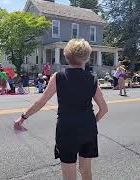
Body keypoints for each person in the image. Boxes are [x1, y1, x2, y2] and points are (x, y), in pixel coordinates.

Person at [14, 39, 108, 180]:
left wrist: (23, 118)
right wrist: (91, 122)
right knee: (86, 171)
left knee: (69, 175)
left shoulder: (59, 77)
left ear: (66, 56)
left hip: (66, 129)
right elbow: (104, 109)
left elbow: (41, 102)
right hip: (88, 129)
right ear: (87, 58)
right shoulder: (92, 79)